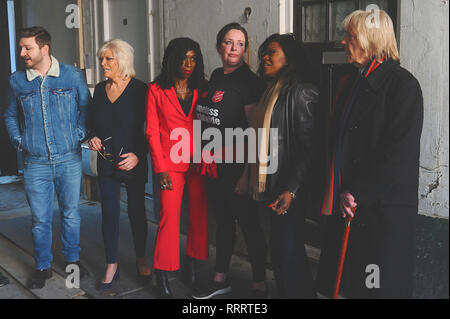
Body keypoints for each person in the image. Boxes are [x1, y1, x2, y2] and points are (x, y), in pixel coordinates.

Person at [316, 9, 424, 299]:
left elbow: (397, 153)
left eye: (350, 36)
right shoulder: (350, 81)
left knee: (375, 286)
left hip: (380, 210)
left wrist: (358, 191)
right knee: (349, 285)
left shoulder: (402, 86)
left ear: (370, 41)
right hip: (347, 204)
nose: (343, 42)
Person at [4, 26, 91, 289]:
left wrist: (77, 135)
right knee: (40, 219)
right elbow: (9, 115)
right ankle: (42, 265)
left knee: (71, 214)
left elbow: (85, 109)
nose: (22, 53)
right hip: (35, 162)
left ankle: (72, 259)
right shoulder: (17, 81)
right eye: (21, 47)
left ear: (45, 48)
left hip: (69, 159)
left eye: (27, 48)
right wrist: (19, 140)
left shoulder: (72, 76)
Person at [192, 23, 268, 299]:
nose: (234, 48)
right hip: (215, 167)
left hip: (238, 167)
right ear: (219, 45)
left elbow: (255, 131)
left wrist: (247, 175)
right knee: (223, 223)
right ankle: (220, 278)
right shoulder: (215, 75)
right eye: (228, 42)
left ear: (245, 50)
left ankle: (260, 284)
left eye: (240, 44)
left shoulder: (249, 82)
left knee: (249, 225)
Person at [247, 33, 319, 299]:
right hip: (273, 183)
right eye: (264, 52)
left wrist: (292, 189)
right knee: (279, 250)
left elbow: (309, 148)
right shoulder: (270, 90)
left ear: (288, 59)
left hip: (289, 187)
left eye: (272, 52)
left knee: (288, 250)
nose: (265, 57)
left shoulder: (302, 92)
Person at [146, 37, 209, 299]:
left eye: (193, 58)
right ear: (173, 59)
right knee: (168, 220)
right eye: (184, 58)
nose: (188, 64)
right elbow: (151, 131)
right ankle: (162, 272)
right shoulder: (156, 89)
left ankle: (191, 268)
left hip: (197, 163)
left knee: (199, 217)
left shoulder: (202, 89)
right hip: (169, 164)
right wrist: (160, 169)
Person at [88, 39, 151, 290]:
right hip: (107, 162)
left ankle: (141, 258)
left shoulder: (141, 90)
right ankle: (111, 264)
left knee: (137, 212)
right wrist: (91, 136)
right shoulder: (99, 90)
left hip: (133, 162)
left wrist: (139, 154)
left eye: (108, 59)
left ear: (122, 60)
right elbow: (91, 122)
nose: (102, 63)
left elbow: (154, 129)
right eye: (101, 59)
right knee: (110, 213)